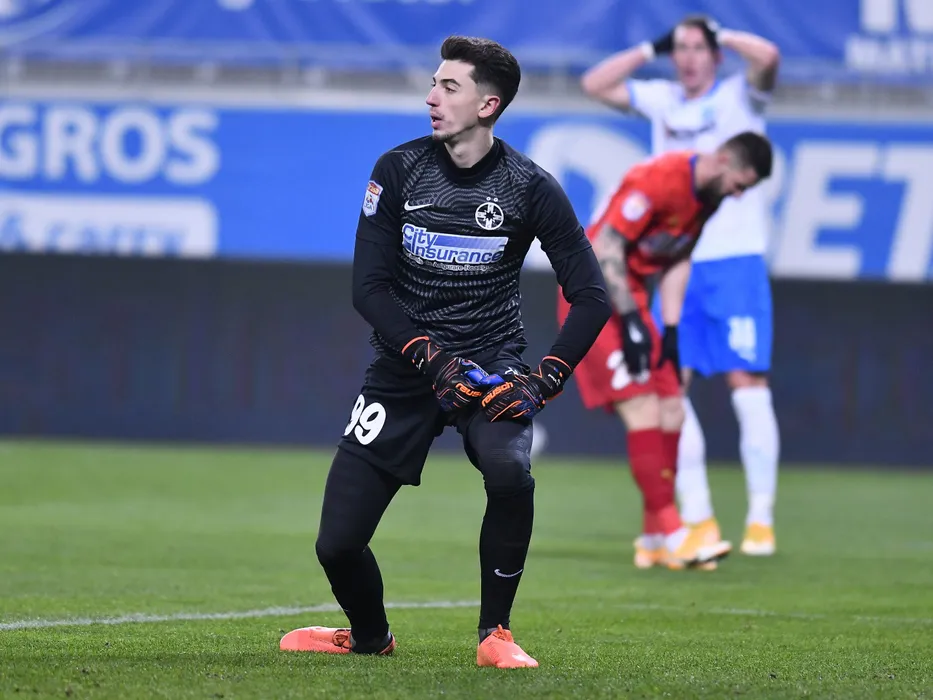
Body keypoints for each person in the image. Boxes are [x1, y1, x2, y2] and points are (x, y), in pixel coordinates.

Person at [279, 36, 611, 668]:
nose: (431, 96)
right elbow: (368, 288)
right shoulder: (398, 169)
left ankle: (495, 635)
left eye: (448, 86)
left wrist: (543, 380)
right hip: (406, 368)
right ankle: (369, 637)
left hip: (490, 367)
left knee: (509, 471)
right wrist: (431, 359)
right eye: (434, 83)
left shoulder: (530, 187)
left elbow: (592, 297)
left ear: (488, 105)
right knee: (336, 545)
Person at [580, 15, 782, 556]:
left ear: (716, 56)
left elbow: (769, 58)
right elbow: (593, 84)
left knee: (742, 383)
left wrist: (723, 33)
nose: (689, 57)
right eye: (682, 48)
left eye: (700, 48)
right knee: (668, 390)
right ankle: (692, 518)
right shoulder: (664, 107)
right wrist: (652, 47)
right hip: (657, 268)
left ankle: (759, 519)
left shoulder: (740, 96)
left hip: (729, 260)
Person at [558, 132, 773, 570]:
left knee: (673, 408)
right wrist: (630, 321)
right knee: (643, 408)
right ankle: (677, 534)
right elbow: (606, 247)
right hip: (593, 297)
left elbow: (678, 258)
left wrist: (670, 330)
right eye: (739, 185)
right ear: (724, 161)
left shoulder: (709, 198)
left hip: (633, 300)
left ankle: (654, 539)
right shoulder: (658, 180)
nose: (738, 195)